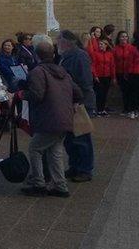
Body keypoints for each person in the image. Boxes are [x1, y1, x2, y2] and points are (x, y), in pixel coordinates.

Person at [21, 42, 82, 198]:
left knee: (35, 149)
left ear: (36, 55)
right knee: (55, 151)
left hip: (48, 118)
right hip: (65, 118)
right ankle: (60, 185)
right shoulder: (63, 72)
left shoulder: (37, 72)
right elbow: (78, 92)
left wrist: (22, 94)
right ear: (53, 55)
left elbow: (37, 95)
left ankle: (38, 183)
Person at [57, 30, 97, 183]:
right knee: (70, 138)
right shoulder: (66, 56)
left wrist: (79, 100)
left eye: (58, 40)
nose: (56, 43)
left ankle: (85, 169)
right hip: (69, 101)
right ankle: (74, 166)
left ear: (65, 41)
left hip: (79, 102)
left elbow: (85, 81)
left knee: (81, 137)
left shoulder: (79, 55)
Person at [92, 38, 115, 116]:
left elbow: (112, 66)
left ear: (106, 45)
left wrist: (113, 77)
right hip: (99, 76)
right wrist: (95, 75)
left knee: (105, 93)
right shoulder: (95, 54)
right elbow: (93, 65)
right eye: (99, 44)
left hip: (107, 76)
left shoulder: (110, 54)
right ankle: (99, 109)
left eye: (102, 44)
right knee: (99, 93)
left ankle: (103, 109)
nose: (100, 46)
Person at [113, 31, 133, 116]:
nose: (124, 38)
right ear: (118, 38)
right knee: (124, 91)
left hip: (130, 73)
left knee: (130, 91)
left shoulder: (131, 48)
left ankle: (131, 108)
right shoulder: (115, 49)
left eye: (125, 36)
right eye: (122, 36)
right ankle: (126, 108)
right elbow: (113, 63)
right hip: (120, 72)